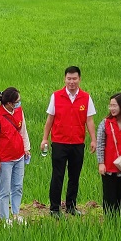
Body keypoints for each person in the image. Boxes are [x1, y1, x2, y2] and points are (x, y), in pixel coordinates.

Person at [40, 66, 97, 217]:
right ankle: (54, 208)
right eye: (69, 79)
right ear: (64, 79)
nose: (71, 82)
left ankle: (71, 206)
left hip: (78, 143)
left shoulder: (86, 97)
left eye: (74, 79)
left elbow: (89, 120)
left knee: (74, 176)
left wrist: (93, 139)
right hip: (59, 142)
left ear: (79, 79)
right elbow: (50, 119)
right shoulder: (56, 96)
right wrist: (45, 138)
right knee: (57, 176)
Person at [0, 87, 31, 224]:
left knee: (17, 186)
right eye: (17, 101)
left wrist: (26, 148)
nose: (19, 103)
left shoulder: (19, 111)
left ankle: (16, 213)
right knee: (4, 190)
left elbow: (23, 130)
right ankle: (5, 218)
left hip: (19, 156)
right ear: (9, 103)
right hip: (5, 159)